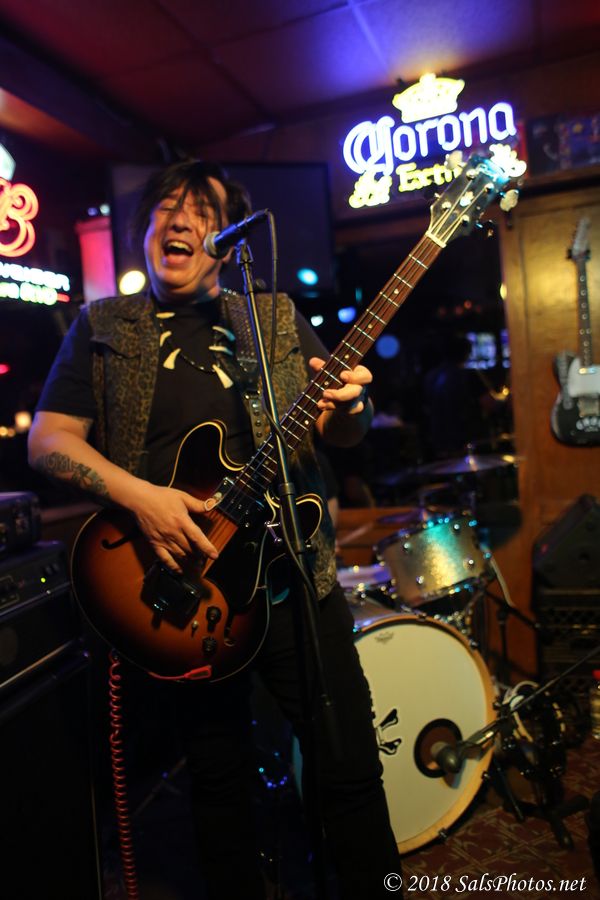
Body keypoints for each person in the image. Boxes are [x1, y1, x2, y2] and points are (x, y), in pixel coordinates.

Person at [28, 160, 402, 900]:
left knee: (349, 765)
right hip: (181, 587)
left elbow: (341, 431)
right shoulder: (103, 325)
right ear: (144, 232)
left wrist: (354, 407)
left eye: (200, 211)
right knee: (218, 777)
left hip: (293, 577)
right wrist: (143, 500)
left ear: (229, 239)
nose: (178, 220)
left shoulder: (273, 317)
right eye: (165, 207)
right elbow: (47, 441)